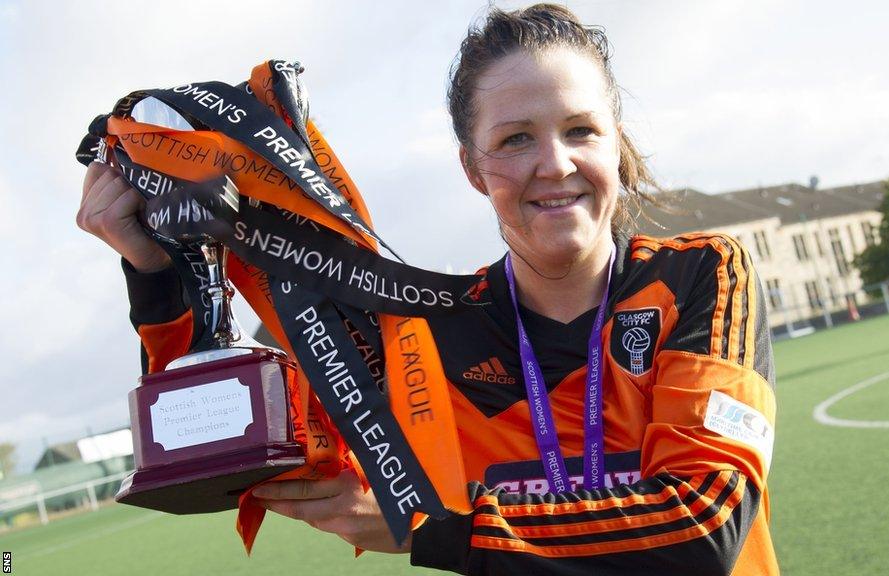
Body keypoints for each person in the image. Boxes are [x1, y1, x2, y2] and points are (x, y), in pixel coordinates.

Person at [78, 4, 778, 574]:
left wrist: (433, 530)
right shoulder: (428, 333)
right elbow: (215, 442)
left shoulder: (700, 278)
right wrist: (157, 272)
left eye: (579, 130)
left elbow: (701, 524)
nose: (554, 163)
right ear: (474, 169)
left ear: (613, 144)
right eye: (514, 141)